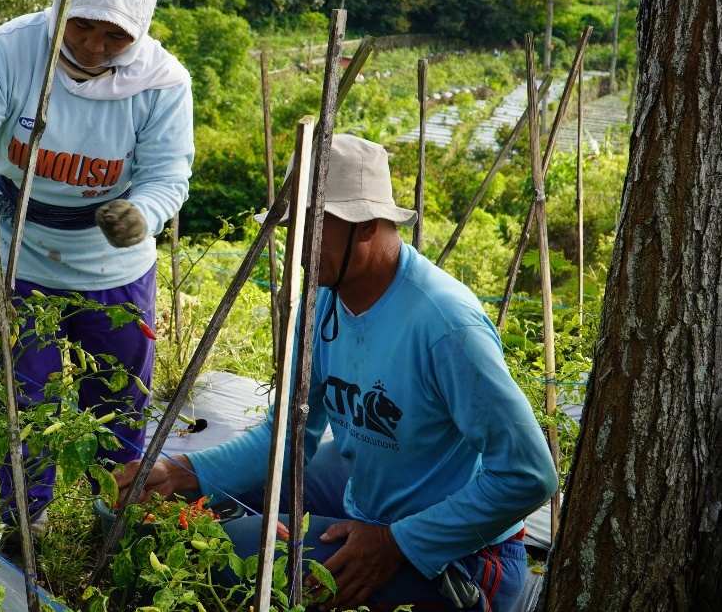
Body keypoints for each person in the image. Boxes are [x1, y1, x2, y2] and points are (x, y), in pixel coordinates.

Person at [115, 135, 557, 611]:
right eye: (291, 229)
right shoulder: (325, 301)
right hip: (367, 499)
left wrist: (397, 542)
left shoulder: (445, 326)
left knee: (234, 547)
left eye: (311, 229)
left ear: (366, 226)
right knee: (176, 504)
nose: (296, 248)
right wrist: (183, 471)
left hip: (467, 556)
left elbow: (529, 475)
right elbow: (288, 436)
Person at [0, 0, 193, 533]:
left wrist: (142, 214)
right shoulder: (7, 53)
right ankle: (25, 522)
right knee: (22, 404)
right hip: (20, 254)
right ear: (59, 5)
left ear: (140, 27)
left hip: (114, 267)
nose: (95, 47)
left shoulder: (162, 82)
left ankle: (119, 520)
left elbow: (169, 171)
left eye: (115, 36)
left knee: (119, 403)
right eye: (82, 27)